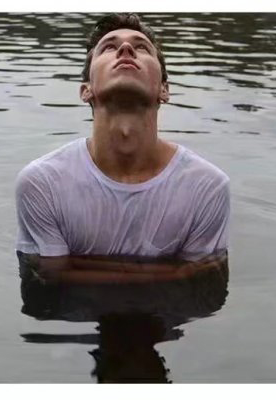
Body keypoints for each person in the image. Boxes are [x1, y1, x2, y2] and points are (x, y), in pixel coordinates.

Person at [15, 13, 230, 285]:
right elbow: (52, 281)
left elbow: (199, 285)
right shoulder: (43, 183)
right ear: (86, 90)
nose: (126, 49)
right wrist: (172, 273)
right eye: (108, 47)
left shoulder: (206, 187)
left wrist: (78, 267)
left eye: (141, 47)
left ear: (164, 90)